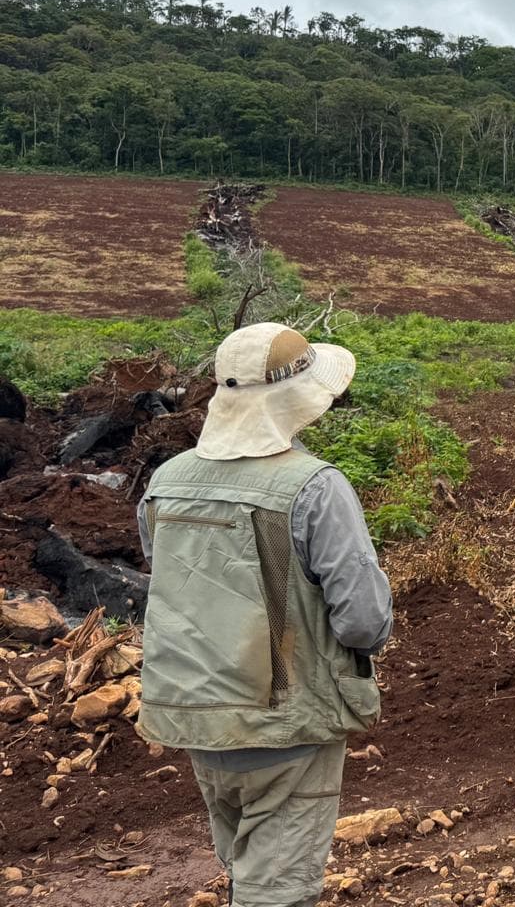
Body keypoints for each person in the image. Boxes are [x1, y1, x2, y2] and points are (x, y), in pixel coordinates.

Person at [136, 323, 392, 907]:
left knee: (245, 868)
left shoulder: (167, 481)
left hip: (197, 716)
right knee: (278, 890)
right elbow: (362, 621)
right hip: (284, 722)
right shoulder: (314, 486)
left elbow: (170, 579)